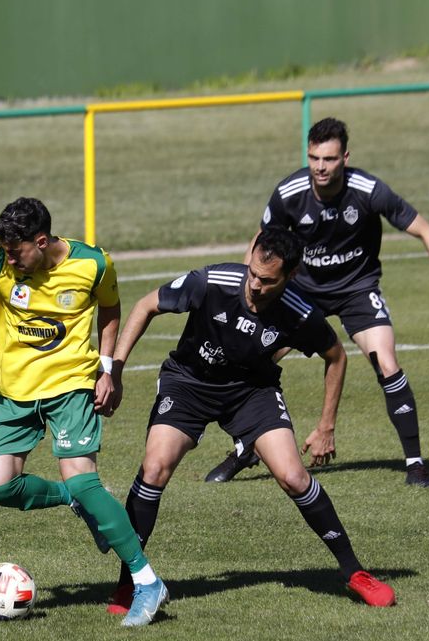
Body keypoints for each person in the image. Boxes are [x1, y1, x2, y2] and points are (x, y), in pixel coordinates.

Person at [0, 197, 170, 627]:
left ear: (41, 241)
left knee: (83, 477)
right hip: (14, 393)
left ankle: (146, 581)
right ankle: (71, 498)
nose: (9, 259)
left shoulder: (93, 263)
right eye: (5, 251)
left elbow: (110, 309)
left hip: (72, 386)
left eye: (17, 251)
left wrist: (108, 370)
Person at [110, 228, 397, 607]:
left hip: (252, 392)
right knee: (155, 468)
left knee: (294, 477)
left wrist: (326, 425)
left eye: (267, 280)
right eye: (253, 274)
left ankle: (354, 572)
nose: (255, 285)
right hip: (189, 383)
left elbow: (336, 356)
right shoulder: (213, 281)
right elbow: (146, 304)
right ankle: (130, 581)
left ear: (290, 276)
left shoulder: (299, 313)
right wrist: (113, 369)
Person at [206, 116, 429, 487]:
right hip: (303, 293)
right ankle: (247, 447)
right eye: (314, 158)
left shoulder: (368, 189)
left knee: (387, 362)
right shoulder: (290, 192)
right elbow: (261, 241)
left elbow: (424, 229)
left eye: (329, 159)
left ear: (345, 157)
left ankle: (417, 464)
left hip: (358, 289)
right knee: (254, 360)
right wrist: (245, 294)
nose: (320, 167)